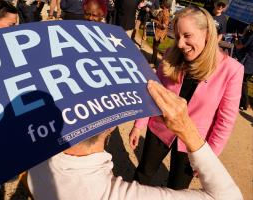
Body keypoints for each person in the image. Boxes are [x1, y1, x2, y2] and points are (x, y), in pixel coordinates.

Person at [27, 80, 243, 200]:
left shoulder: (33, 166)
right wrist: (187, 129)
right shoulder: (116, 195)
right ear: (111, 125)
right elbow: (228, 197)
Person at [129, 6, 244, 190]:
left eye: (187, 35)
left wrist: (208, 158)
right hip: (160, 128)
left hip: (193, 141)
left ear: (207, 34)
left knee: (178, 188)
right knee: (143, 174)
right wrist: (139, 125)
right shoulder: (172, 55)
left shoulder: (231, 70)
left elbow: (225, 122)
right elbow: (152, 91)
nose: (180, 43)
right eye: (178, 35)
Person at [235, 24, 253, 110]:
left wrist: (236, 40)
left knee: (242, 83)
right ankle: (243, 103)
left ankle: (245, 103)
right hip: (250, 64)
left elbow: (240, 46)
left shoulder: (251, 35)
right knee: (243, 82)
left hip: (248, 63)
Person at [151, 0, 170, 66]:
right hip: (157, 32)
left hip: (159, 34)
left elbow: (164, 26)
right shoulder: (163, 11)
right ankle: (153, 60)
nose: (161, 4)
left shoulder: (165, 13)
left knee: (155, 48)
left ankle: (153, 62)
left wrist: (155, 22)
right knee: (154, 47)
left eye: (163, 3)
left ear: (164, 5)